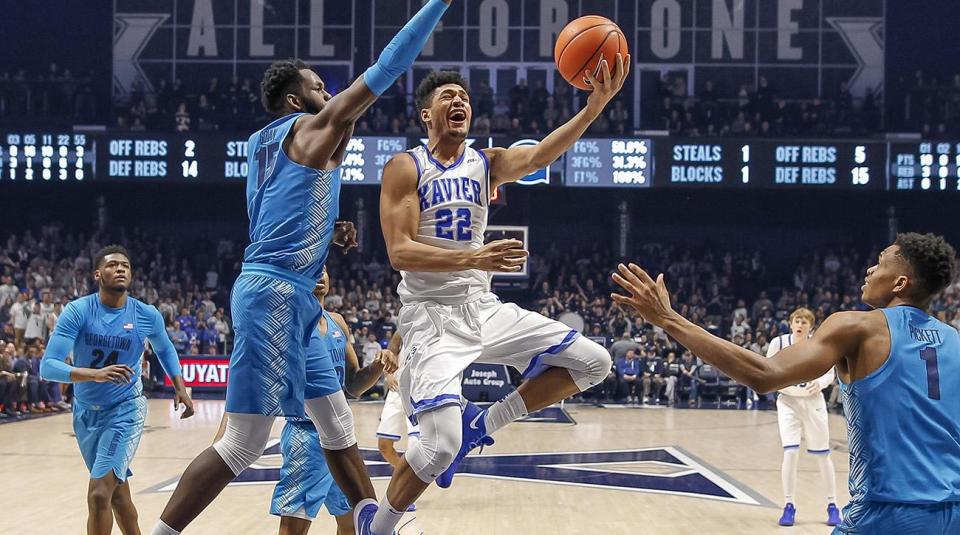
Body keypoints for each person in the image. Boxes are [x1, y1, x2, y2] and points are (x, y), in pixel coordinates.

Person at [153, 3, 453, 534]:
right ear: (297, 101)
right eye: (319, 86)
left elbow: (275, 211)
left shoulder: (262, 145)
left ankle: (375, 521)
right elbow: (385, 68)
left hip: (293, 294)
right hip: (275, 295)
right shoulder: (310, 128)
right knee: (243, 441)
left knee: (335, 421)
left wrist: (325, 231)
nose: (328, 91)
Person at [369, 54, 629, 534]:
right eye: (448, 97)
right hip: (431, 317)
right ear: (427, 115)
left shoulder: (485, 163)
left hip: (481, 308)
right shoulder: (406, 167)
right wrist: (473, 258)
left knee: (594, 363)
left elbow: (542, 156)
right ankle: (381, 526)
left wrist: (594, 107)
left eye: (464, 97)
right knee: (439, 447)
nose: (459, 101)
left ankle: (482, 425)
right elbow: (400, 251)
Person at [611, 233, 960, 534]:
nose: (870, 269)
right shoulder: (953, 339)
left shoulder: (858, 326)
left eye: (881, 263)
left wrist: (668, 319)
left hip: (890, 512)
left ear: (900, 283)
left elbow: (764, 375)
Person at [213, 268, 399, 535]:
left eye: (325, 268)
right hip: (305, 437)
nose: (320, 274)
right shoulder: (287, 324)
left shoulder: (338, 322)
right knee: (293, 526)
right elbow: (251, 377)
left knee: (352, 521)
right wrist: (226, 433)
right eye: (313, 269)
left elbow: (355, 385)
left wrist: (378, 366)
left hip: (340, 438)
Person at [39, 245, 195, 535]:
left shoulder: (145, 315)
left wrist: (181, 387)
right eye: (112, 265)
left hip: (125, 410)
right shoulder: (78, 311)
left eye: (125, 265)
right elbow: (47, 367)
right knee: (118, 494)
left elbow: (165, 349)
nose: (120, 268)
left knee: (99, 493)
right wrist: (95, 375)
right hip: (85, 413)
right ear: (97, 274)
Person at [766, 307, 841, 526]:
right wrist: (787, 387)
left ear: (811, 326)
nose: (800, 325)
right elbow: (768, 370)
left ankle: (832, 505)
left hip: (813, 403)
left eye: (804, 322)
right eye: (797, 321)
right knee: (790, 453)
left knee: (822, 455)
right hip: (788, 402)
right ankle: (789, 505)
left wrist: (820, 382)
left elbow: (830, 372)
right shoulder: (778, 344)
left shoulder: (819, 344)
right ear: (791, 323)